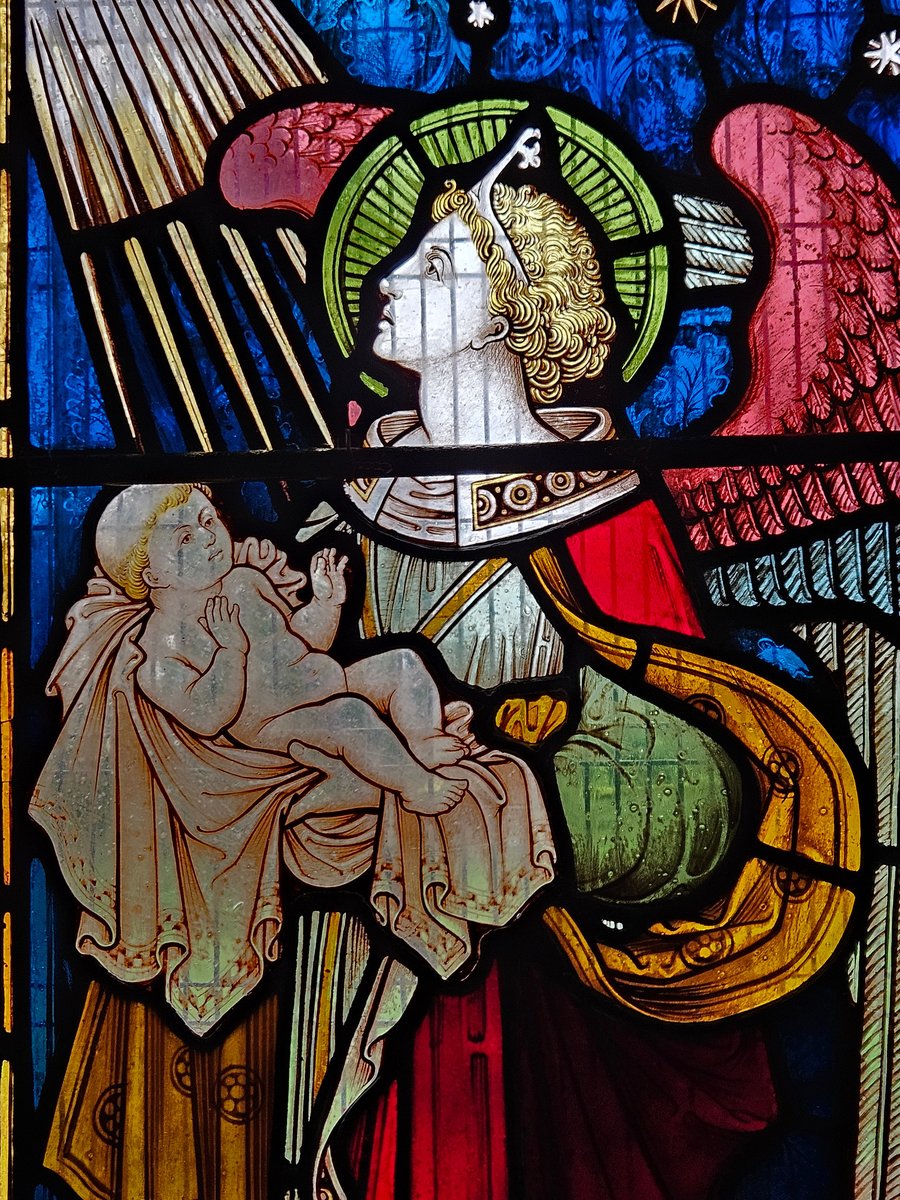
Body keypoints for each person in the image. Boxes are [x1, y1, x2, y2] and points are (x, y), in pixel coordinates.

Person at [96, 483, 468, 816]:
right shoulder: (158, 652)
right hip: (276, 727)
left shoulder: (245, 581)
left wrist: (325, 604)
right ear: (151, 575)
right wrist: (230, 651)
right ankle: (417, 788)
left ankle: (421, 740)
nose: (208, 537)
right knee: (348, 716)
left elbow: (302, 640)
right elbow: (208, 719)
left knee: (403, 663)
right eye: (185, 539)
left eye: (208, 520)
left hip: (329, 681)